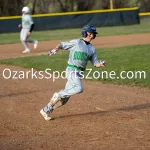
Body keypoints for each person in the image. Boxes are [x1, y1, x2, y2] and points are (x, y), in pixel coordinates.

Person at [40, 24, 107, 121]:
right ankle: (58, 94)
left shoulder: (92, 49)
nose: (93, 35)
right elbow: (62, 44)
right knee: (79, 88)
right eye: (92, 33)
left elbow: (95, 63)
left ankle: (46, 110)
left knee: (64, 101)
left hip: (79, 73)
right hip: (71, 70)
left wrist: (100, 64)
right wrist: (56, 49)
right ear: (87, 33)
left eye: (94, 33)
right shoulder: (77, 42)